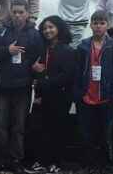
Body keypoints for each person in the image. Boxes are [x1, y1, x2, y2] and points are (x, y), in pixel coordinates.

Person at [0, 0, 45, 174]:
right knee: (1, 126)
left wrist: (34, 71)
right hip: (2, 86)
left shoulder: (35, 35)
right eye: (15, 12)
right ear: (10, 12)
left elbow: (39, 61)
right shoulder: (0, 32)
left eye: (21, 12)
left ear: (27, 14)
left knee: (19, 127)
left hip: (23, 87)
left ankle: (16, 160)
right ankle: (0, 160)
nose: (18, 15)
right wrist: (7, 51)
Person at [73, 10, 113, 174]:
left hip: (106, 97)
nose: (98, 26)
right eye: (95, 22)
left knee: (104, 134)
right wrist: (78, 94)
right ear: (90, 25)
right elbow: (76, 71)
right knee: (86, 133)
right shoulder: (82, 46)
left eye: (102, 23)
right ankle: (87, 164)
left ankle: (103, 165)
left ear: (108, 25)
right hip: (86, 97)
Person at [28, 15, 76, 174]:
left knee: (57, 130)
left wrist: (44, 78)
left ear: (59, 28)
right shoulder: (41, 49)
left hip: (60, 97)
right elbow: (36, 70)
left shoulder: (68, 50)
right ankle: (39, 161)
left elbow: (67, 76)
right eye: (44, 28)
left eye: (51, 27)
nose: (47, 31)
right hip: (42, 97)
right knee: (39, 130)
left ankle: (56, 163)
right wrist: (35, 72)